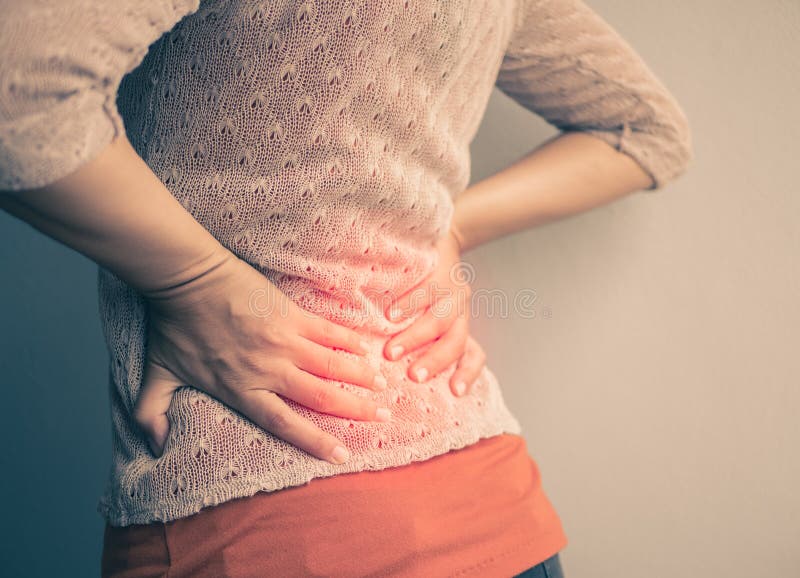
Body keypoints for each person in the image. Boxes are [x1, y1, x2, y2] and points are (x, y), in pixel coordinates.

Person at [0, 0, 692, 576]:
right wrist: (448, 228)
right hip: (502, 517)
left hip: (266, 532)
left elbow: (13, 94)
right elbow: (649, 131)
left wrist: (198, 281)